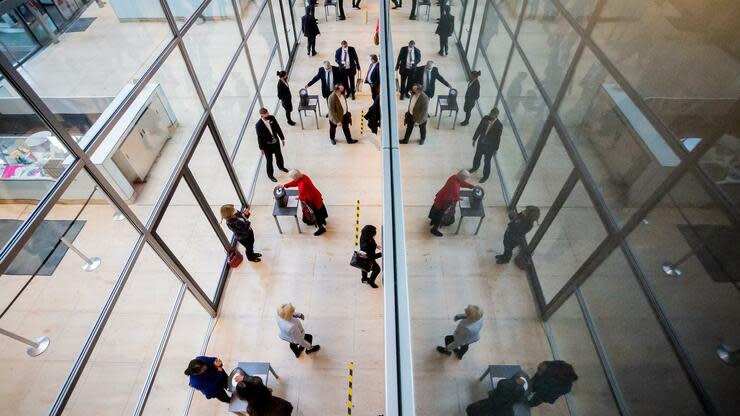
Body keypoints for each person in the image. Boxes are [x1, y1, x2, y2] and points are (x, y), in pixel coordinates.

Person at [429, 170, 476, 236]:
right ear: (462, 177)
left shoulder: (454, 177)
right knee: (440, 214)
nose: (465, 180)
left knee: (436, 209)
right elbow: (456, 195)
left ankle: (433, 221)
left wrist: (472, 186)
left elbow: (462, 183)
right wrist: (459, 198)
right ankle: (434, 229)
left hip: (440, 197)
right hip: (444, 202)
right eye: (465, 178)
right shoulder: (455, 185)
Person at [282, 169, 329, 236]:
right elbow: (295, 182)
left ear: (296, 176)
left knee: (316, 213)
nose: (292, 179)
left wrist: (299, 198)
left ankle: (321, 228)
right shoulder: (303, 176)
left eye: (292, 177)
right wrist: (285, 185)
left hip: (313, 200)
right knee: (320, 209)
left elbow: (302, 194)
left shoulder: (302, 184)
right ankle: (323, 221)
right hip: (316, 196)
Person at [469, 107, 502, 183]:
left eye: (492, 114)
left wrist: (495, 149)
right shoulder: (485, 118)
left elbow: (498, 138)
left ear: (496, 115)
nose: (490, 115)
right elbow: (479, 128)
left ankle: (485, 176)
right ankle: (475, 167)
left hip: (489, 147)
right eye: (490, 113)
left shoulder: (499, 125)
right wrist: (474, 139)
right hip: (481, 143)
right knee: (477, 156)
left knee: (487, 162)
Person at [255, 108, 288, 182]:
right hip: (267, 145)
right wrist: (261, 148)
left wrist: (282, 138)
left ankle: (281, 167)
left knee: (279, 155)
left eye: (267, 112)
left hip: (275, 142)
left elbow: (277, 128)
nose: (268, 114)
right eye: (266, 114)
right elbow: (259, 137)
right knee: (269, 160)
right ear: (262, 115)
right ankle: (270, 175)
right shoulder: (258, 125)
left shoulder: (272, 118)